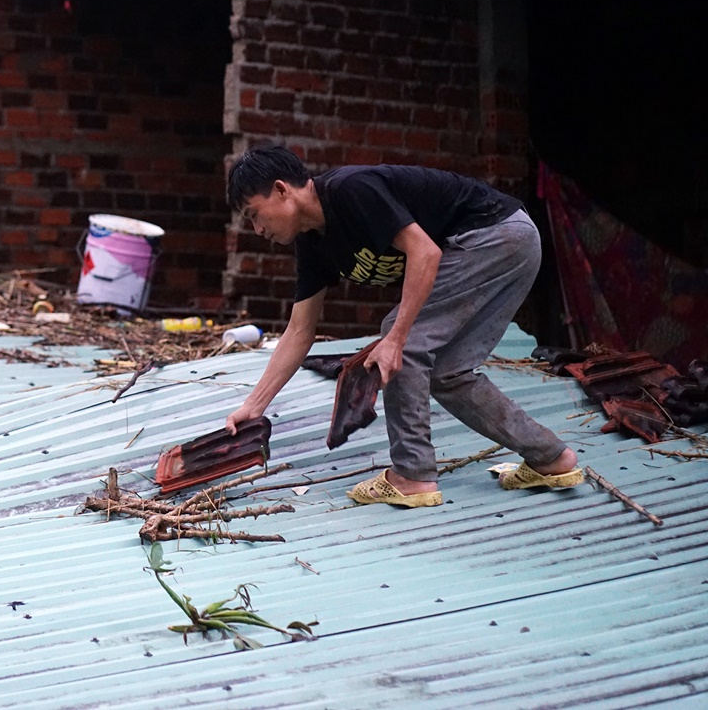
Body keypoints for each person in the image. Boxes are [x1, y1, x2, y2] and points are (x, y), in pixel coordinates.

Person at [224, 146, 581, 507]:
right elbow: (300, 332)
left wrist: (395, 338)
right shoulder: (313, 245)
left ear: (282, 190)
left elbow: (425, 253)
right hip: (505, 245)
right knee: (448, 372)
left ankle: (412, 475)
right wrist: (254, 406)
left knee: (401, 336)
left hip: (496, 235)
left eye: (254, 214)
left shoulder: (351, 191)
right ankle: (550, 458)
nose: (257, 229)